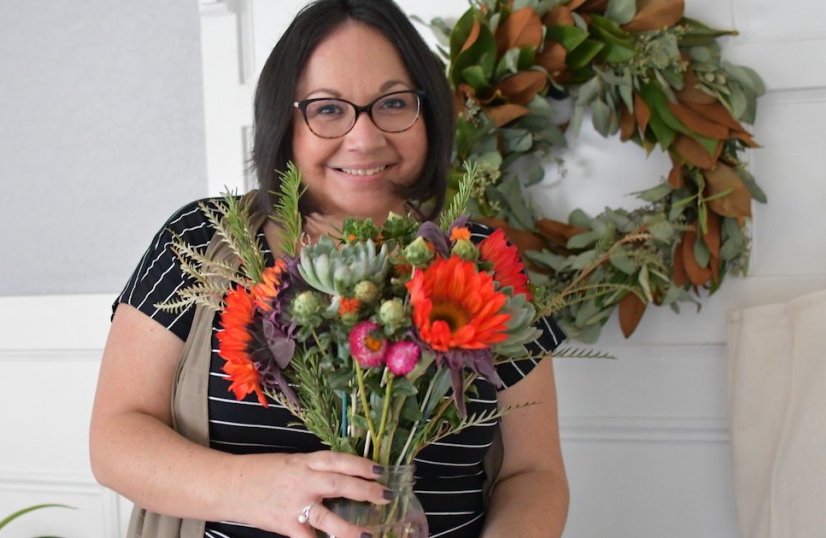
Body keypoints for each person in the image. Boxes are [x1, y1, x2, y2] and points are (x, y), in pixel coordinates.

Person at [89, 1, 569, 537]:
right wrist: (254, 489)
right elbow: (115, 439)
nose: (364, 139)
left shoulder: (480, 263)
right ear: (284, 122)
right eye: (327, 109)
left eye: (392, 102)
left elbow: (534, 471)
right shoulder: (204, 241)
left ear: (428, 111)